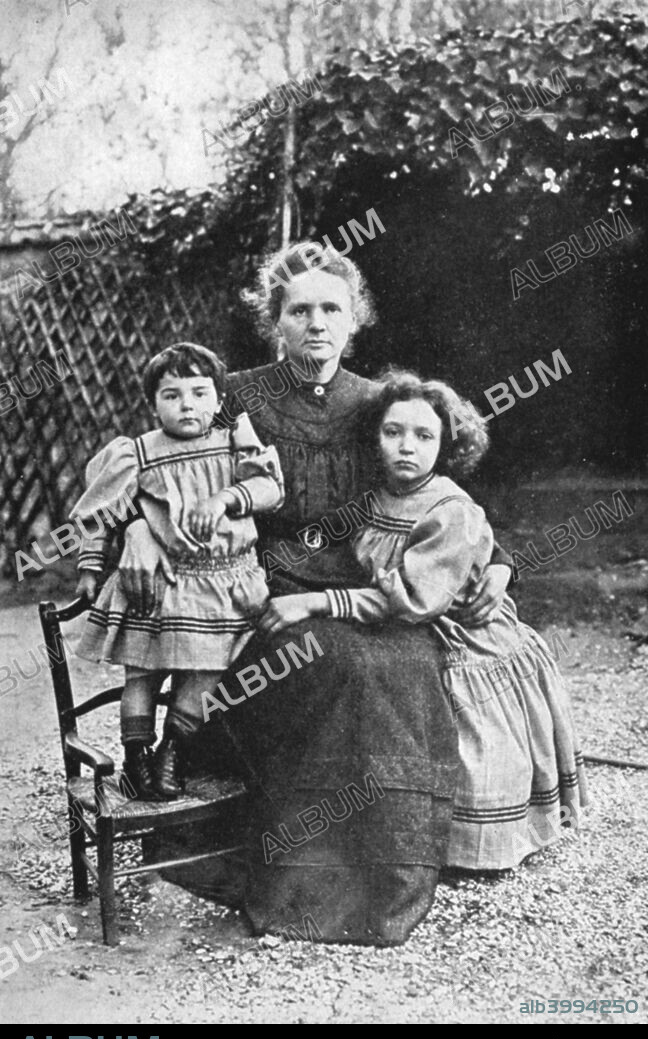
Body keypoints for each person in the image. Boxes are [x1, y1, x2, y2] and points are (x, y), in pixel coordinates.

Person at [117, 243, 513, 945]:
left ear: (355, 318)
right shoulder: (232, 393)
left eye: (332, 308)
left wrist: (501, 563)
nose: (317, 324)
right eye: (299, 310)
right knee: (331, 664)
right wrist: (137, 534)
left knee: (403, 661)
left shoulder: (377, 403)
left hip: (366, 589)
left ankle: (388, 866)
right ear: (277, 322)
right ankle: (306, 880)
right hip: (259, 591)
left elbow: (433, 496)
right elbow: (157, 461)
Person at [259, 370, 588, 870]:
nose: (406, 447)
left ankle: (475, 845)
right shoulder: (374, 498)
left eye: (423, 436)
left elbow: (414, 598)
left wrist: (316, 603)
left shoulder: (449, 509)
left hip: (467, 632)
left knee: (468, 734)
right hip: (413, 619)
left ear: (447, 446)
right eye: (393, 433)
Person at [70, 342, 284, 800]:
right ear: (152, 405)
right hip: (158, 583)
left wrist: (227, 498)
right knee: (142, 676)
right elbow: (100, 512)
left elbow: (269, 488)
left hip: (224, 583)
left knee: (206, 675)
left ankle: (173, 751)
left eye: (199, 393)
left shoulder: (233, 441)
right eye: (171, 395)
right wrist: (90, 566)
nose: (187, 404)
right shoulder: (139, 452)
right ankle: (136, 758)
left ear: (219, 400)